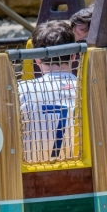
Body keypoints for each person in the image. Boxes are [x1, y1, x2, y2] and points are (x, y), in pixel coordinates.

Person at [18, 21, 79, 163]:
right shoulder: (88, 89)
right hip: (81, 173)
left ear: (37, 59)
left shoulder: (21, 91)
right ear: (74, 56)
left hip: (34, 176)